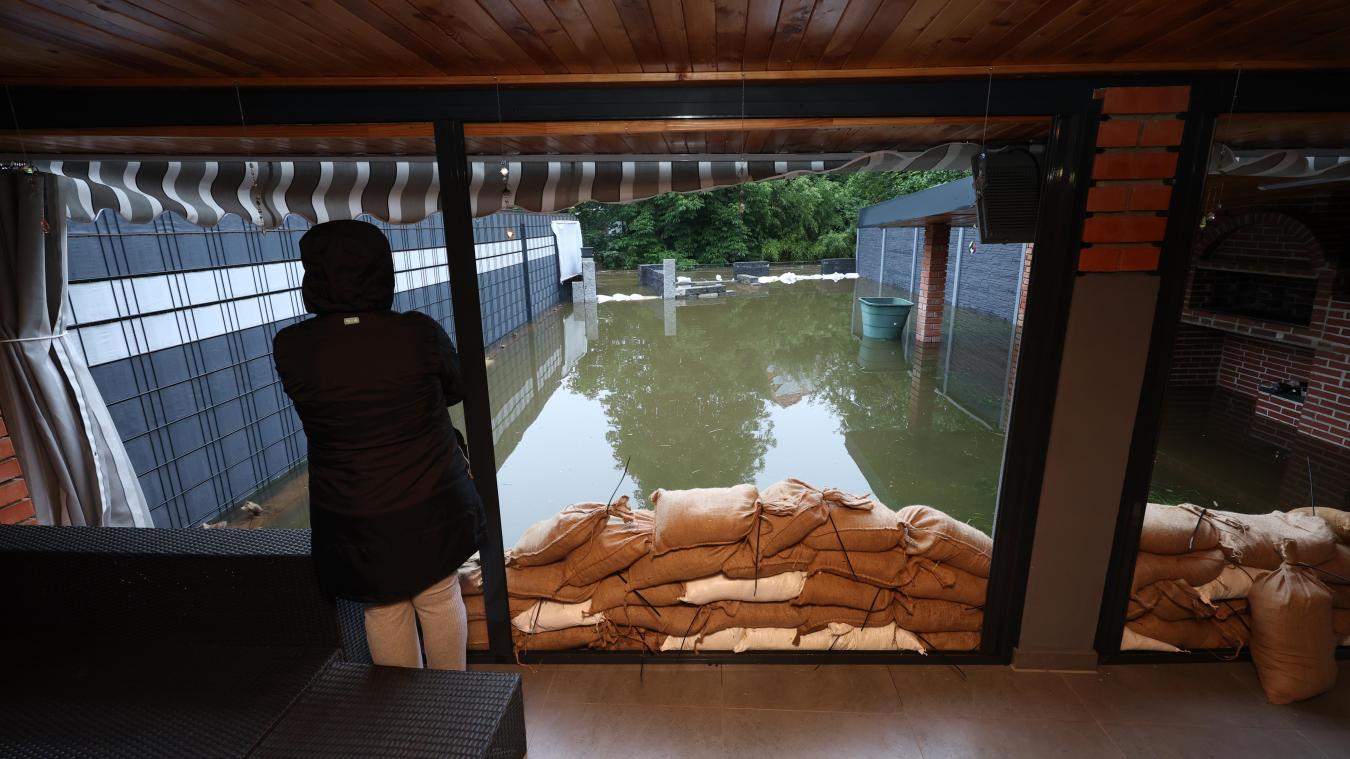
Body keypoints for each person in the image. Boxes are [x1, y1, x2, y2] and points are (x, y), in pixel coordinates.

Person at [273, 219, 485, 670]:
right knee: (438, 594)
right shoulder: (417, 333)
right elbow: (457, 388)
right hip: (431, 498)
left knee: (382, 607)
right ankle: (453, 705)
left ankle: (402, 718)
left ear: (312, 277)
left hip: (353, 510)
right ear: (381, 273)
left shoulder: (292, 346)